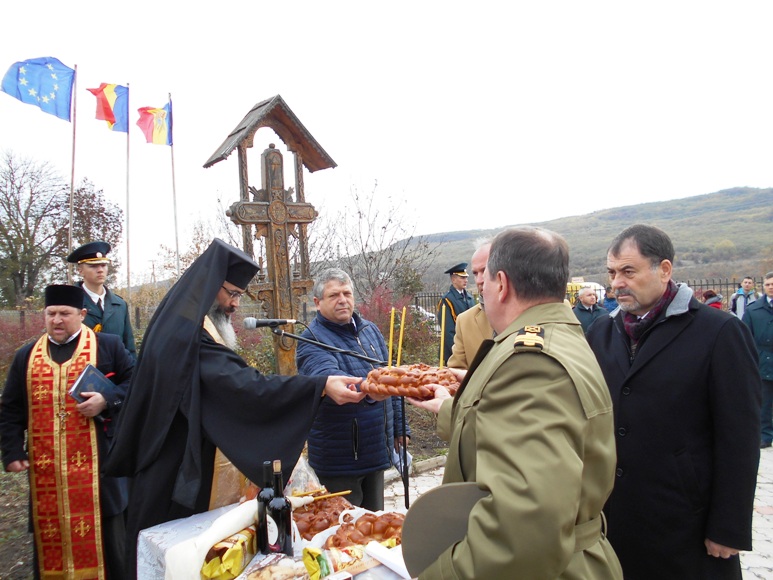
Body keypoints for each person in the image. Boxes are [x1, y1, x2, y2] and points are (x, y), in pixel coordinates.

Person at [103, 239, 365, 577]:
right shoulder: (189, 338)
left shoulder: (179, 326)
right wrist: (319, 386)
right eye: (231, 294)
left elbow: (233, 384)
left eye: (239, 296)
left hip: (175, 462)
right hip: (174, 475)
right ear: (211, 287)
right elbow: (244, 388)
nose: (234, 305)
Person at [409, 226, 622, 579]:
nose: (482, 291)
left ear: (502, 284)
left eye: (485, 282)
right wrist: (455, 404)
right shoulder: (558, 336)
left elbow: (520, 533)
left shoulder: (529, 363)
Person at [586, 224, 761, 579]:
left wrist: (728, 526)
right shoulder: (602, 332)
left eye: (628, 271)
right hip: (615, 517)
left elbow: (739, 437)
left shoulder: (719, 332)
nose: (617, 282)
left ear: (664, 270)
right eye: (612, 273)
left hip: (686, 523)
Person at [0, 285, 134, 579]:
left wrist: (106, 400)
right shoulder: (27, 356)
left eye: (65, 313)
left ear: (82, 314)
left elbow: (136, 384)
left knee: (111, 544)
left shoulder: (107, 346)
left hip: (99, 470)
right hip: (48, 474)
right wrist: (11, 450)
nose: (57, 320)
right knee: (51, 537)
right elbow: (10, 408)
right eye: (51, 314)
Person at [295, 268, 410, 511]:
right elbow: (331, 378)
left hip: (376, 450)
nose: (342, 300)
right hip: (340, 461)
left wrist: (400, 427)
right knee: (344, 532)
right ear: (317, 303)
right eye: (334, 295)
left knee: (374, 526)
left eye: (347, 293)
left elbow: (392, 378)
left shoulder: (369, 330)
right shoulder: (311, 340)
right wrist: (370, 390)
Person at [67, 240, 136, 359]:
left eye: (103, 265)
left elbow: (129, 347)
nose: (100, 270)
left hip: (116, 375)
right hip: (81, 372)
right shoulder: (69, 303)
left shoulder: (119, 305)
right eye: (93, 266)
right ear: (80, 270)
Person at [447, 240, 493, 369]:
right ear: (453, 279)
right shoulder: (463, 318)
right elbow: (448, 331)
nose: (479, 280)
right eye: (475, 273)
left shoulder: (528, 313)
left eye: (485, 271)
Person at [742, 272, 773, 448]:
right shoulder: (753, 310)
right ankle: (765, 435)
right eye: (768, 284)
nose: (771, 287)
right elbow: (746, 337)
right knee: (764, 402)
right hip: (762, 361)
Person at [436, 262, 475, 365]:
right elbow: (448, 331)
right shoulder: (447, 300)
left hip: (469, 349)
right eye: (462, 278)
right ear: (453, 279)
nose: (465, 280)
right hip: (453, 352)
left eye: (466, 277)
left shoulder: (470, 298)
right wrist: (458, 352)